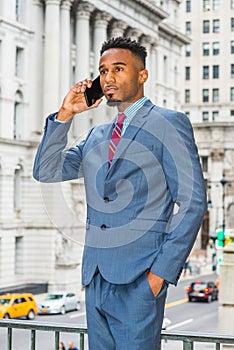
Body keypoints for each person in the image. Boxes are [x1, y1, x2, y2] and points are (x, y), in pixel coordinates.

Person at [33, 37, 207, 349]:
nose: (108, 77)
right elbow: (46, 171)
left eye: (118, 68)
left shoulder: (169, 122)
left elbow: (192, 203)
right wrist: (64, 115)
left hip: (140, 280)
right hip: (95, 279)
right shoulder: (96, 135)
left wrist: (158, 277)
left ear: (142, 75)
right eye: (102, 71)